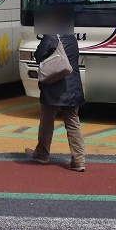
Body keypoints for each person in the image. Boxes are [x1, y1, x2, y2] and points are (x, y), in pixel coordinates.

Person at [25, 11, 86, 171]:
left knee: (47, 121)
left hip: (54, 86)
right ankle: (79, 160)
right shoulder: (72, 37)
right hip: (73, 87)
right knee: (73, 123)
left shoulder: (51, 36)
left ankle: (42, 154)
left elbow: (39, 55)